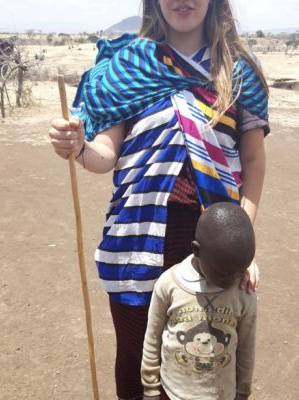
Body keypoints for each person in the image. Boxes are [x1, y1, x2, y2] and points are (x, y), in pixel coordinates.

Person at [49, 1, 269, 398]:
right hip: (135, 239)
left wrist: (243, 243)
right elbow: (105, 154)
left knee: (202, 357)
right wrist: (79, 146)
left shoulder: (238, 72)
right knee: (135, 356)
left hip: (211, 245)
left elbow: (253, 160)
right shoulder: (127, 67)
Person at [141, 202, 257, 400]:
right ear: (196, 250)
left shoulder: (243, 292)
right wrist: (151, 387)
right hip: (173, 392)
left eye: (239, 272)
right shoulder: (170, 284)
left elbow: (247, 346)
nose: (231, 280)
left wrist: (243, 391)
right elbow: (152, 337)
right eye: (223, 273)